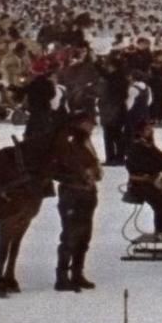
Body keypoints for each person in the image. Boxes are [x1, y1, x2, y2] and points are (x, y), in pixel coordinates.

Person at [52, 114, 99, 292]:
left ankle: (77, 273)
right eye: (89, 124)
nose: (92, 127)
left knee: (84, 236)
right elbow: (55, 170)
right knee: (70, 236)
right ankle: (62, 276)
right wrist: (78, 176)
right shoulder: (65, 144)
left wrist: (93, 173)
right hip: (72, 194)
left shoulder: (85, 143)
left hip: (88, 193)